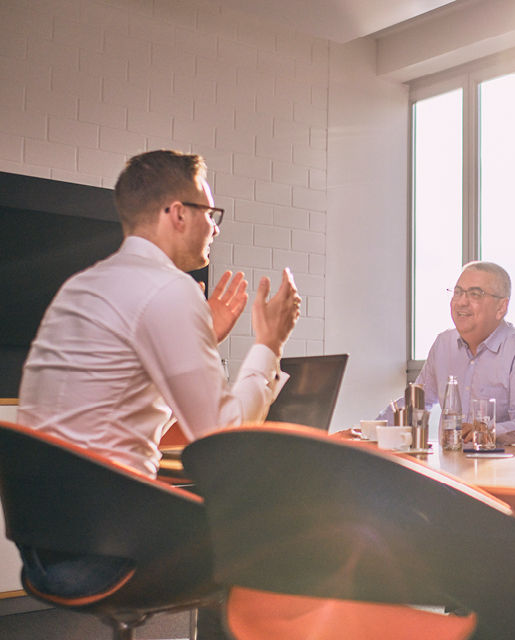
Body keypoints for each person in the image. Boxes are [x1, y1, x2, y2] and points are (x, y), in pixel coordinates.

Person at [15, 149, 302, 637]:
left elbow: (114, 400)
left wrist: (200, 342)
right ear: (177, 213)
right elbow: (223, 437)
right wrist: (268, 345)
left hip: (43, 547)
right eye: (210, 215)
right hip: (112, 552)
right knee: (288, 531)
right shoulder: (168, 289)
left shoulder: (82, 287)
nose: (214, 228)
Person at [381, 261, 515, 445]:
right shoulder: (443, 344)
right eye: (457, 292)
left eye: (475, 294)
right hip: (446, 466)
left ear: (501, 307)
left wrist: (487, 430)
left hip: (498, 468)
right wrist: (370, 430)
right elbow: (416, 403)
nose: (461, 302)